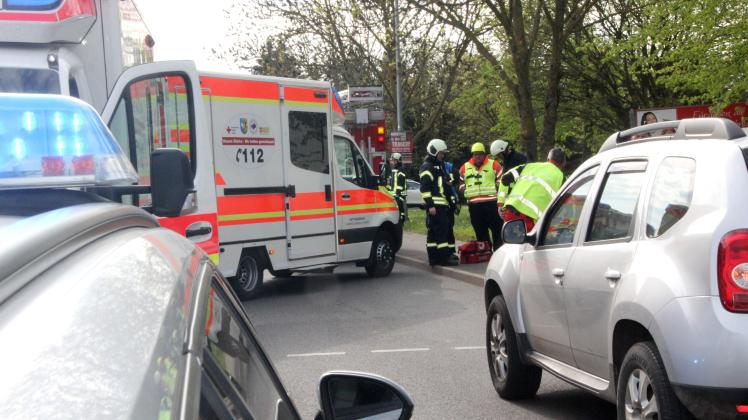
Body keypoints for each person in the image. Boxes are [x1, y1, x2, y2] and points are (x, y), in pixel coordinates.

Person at [499, 148, 566, 232]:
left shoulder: (528, 166)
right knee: (527, 245)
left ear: (548, 159)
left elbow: (505, 178)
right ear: (563, 163)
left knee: (510, 243)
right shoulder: (562, 179)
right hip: (531, 219)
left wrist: (500, 204)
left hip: (511, 212)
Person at [420, 139, 459, 266]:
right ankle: (443, 259)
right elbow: (424, 188)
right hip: (436, 205)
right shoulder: (428, 167)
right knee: (441, 231)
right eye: (441, 153)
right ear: (434, 152)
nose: (443, 155)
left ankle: (434, 258)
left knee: (434, 232)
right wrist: (430, 205)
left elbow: (445, 183)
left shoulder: (438, 166)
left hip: (441, 204)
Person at [459, 142, 503, 250]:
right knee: (480, 231)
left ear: (484, 154)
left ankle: (498, 252)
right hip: (474, 206)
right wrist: (464, 189)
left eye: (479, 154)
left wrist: (497, 186)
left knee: (497, 230)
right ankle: (485, 253)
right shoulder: (465, 167)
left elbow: (502, 180)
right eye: (475, 154)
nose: (477, 156)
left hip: (492, 203)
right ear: (472, 155)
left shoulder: (494, 164)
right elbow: (460, 183)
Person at [444, 159, 460, 255]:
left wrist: (450, 182)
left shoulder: (449, 166)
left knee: (449, 226)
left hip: (450, 200)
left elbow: (456, 178)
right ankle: (445, 251)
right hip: (440, 202)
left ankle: (450, 251)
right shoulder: (432, 166)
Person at [386, 153, 408, 223]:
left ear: (398, 160)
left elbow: (400, 183)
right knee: (396, 209)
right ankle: (398, 221)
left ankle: (401, 221)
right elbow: (393, 182)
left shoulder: (401, 169)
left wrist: (398, 194)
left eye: (394, 160)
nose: (393, 162)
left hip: (400, 194)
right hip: (394, 193)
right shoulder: (394, 169)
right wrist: (388, 189)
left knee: (400, 209)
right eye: (392, 160)